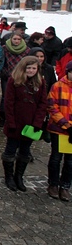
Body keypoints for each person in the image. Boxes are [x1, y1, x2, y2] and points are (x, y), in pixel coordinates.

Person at [2, 56, 48, 192]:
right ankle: (9, 177)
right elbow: (8, 102)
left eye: (34, 68)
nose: (31, 71)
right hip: (15, 122)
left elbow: (42, 103)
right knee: (10, 151)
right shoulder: (14, 80)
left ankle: (19, 176)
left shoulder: (41, 83)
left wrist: (37, 122)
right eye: (29, 68)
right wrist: (10, 121)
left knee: (25, 152)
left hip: (31, 123)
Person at [46, 60, 72, 202]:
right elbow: (51, 106)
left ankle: (65, 186)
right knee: (56, 158)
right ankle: (53, 184)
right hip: (58, 129)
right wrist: (65, 124)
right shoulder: (57, 86)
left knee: (70, 161)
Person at [0, 33, 30, 127]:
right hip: (7, 76)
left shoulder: (27, 50)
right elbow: (2, 60)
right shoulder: (5, 48)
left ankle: (14, 118)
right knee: (5, 97)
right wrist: (4, 71)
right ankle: (3, 118)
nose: (16, 41)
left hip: (21, 76)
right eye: (15, 39)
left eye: (18, 39)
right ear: (11, 39)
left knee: (19, 97)